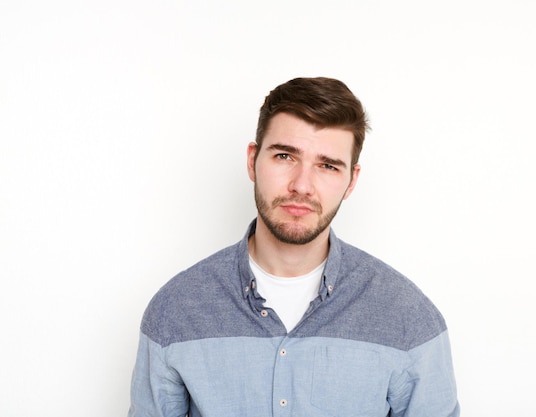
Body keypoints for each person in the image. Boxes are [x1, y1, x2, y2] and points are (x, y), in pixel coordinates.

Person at [128, 77, 460, 417]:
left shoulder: (409, 319)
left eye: (328, 165)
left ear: (351, 181)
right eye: (285, 156)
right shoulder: (175, 311)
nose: (302, 186)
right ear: (252, 160)